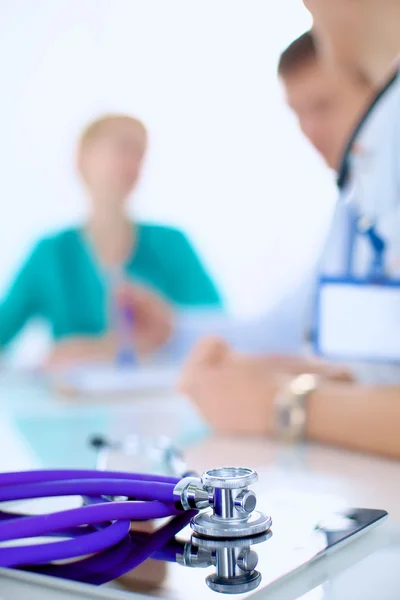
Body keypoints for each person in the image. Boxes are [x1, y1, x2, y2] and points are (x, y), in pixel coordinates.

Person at [179, 22, 400, 459]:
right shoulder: (352, 206)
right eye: (297, 113)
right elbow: (292, 331)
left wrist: (282, 402)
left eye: (323, 106)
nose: (310, 131)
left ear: (380, 96)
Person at [0, 114, 222, 365]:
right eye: (121, 148)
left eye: (139, 153)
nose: (131, 163)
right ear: (82, 159)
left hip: (158, 401)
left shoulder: (171, 244)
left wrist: (102, 349)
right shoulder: (51, 254)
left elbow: (221, 333)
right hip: (71, 402)